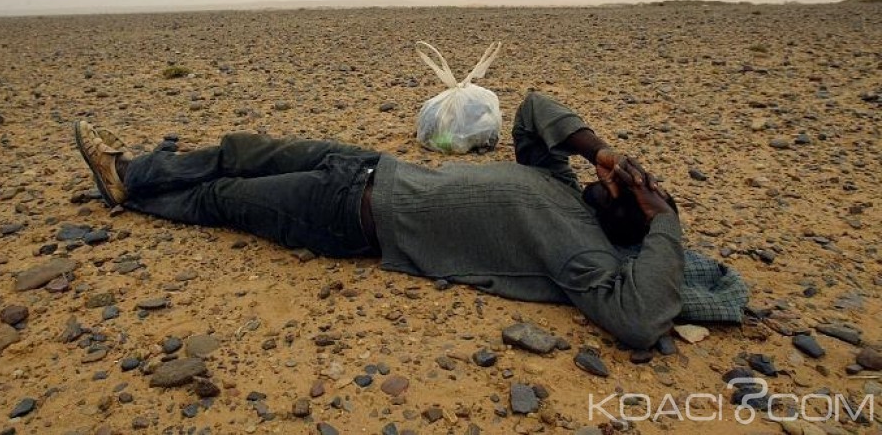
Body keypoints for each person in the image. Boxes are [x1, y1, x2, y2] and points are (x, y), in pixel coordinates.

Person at [75, 92, 746, 349]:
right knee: (240, 152)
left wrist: (664, 219)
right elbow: (536, 109)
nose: (615, 185)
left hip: (352, 217)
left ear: (637, 229)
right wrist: (604, 153)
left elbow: (638, 318)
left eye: (629, 194)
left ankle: (127, 190)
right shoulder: (560, 183)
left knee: (223, 200)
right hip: (366, 166)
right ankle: (134, 169)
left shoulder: (583, 257)